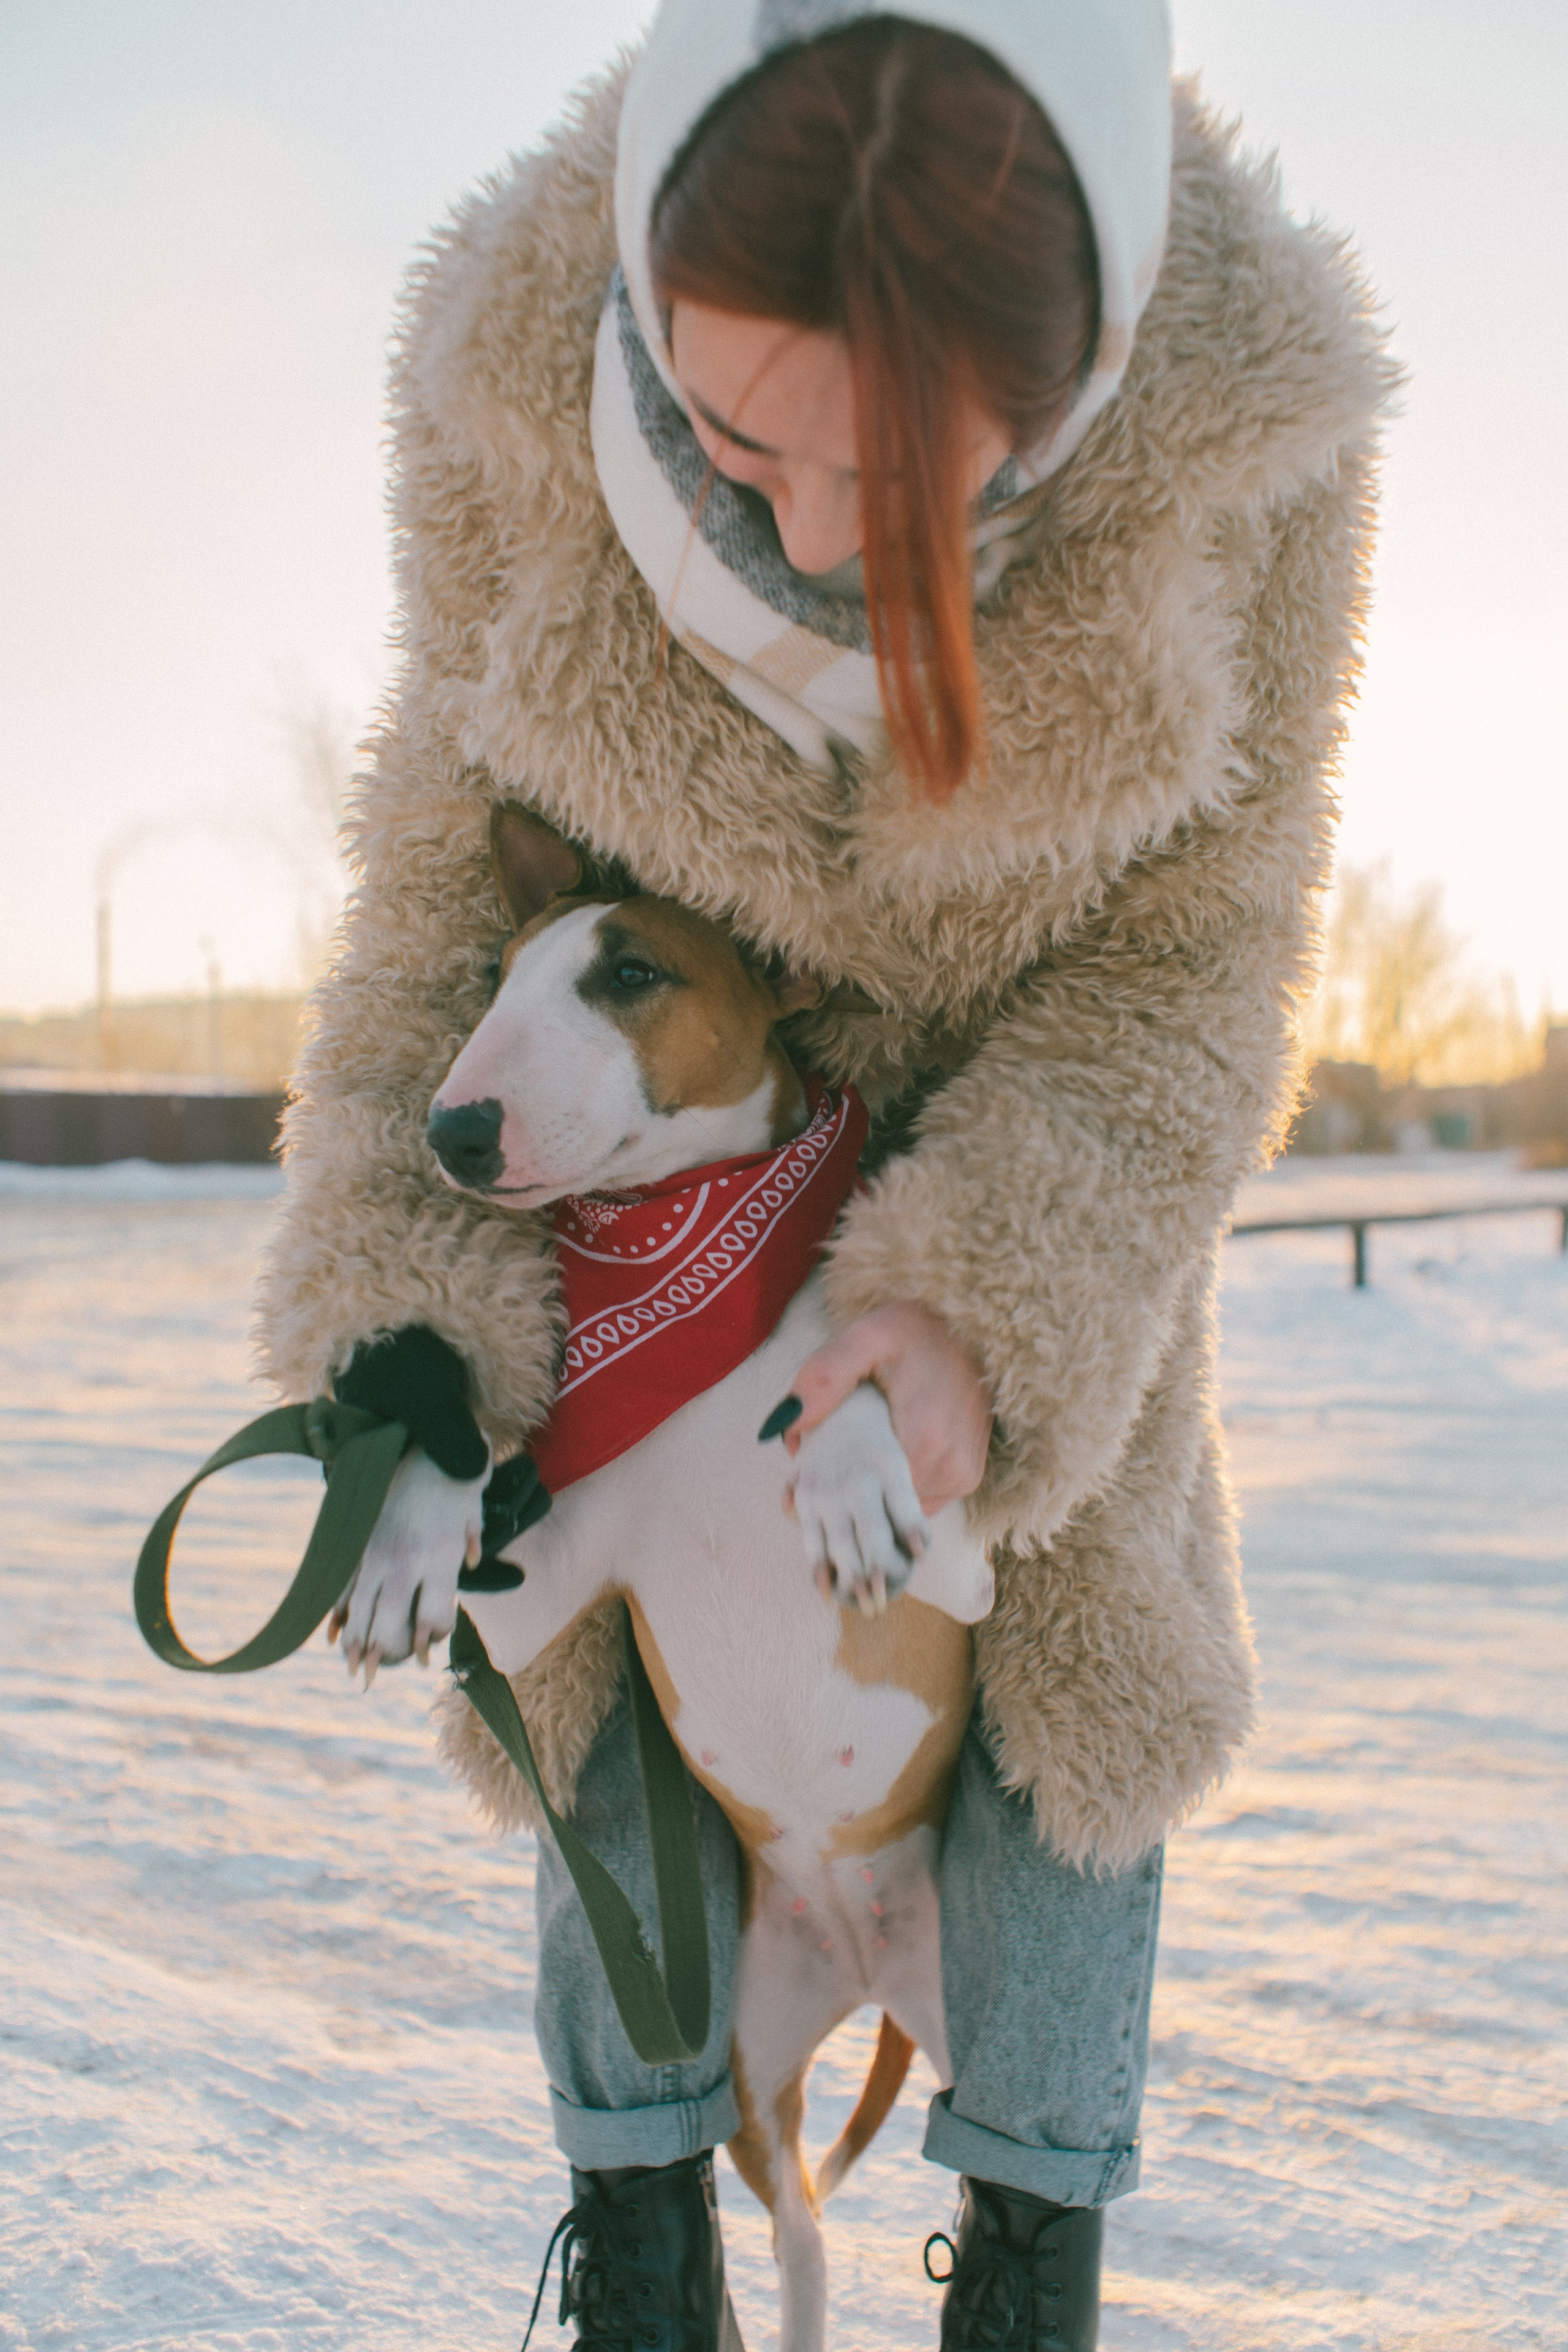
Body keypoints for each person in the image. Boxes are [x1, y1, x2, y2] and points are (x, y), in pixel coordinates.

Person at [257, 4, 1391, 2345]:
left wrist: (978, 1308)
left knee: (1076, 1696)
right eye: (734, 433)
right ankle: (645, 2247)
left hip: (1014, 1166)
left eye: (906, 476)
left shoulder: (1245, 461)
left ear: (1077, 384)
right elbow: (436, 920)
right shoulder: (505, 389)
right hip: (645, 1185)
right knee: (586, 1685)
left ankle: (1030, 2255)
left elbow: (1192, 974)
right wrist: (404, 1344)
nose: (803, 533)